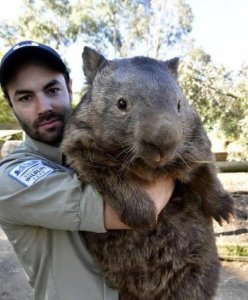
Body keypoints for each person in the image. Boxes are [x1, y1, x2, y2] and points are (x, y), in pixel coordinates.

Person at [0, 40, 175, 300]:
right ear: (10, 104)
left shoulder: (107, 140)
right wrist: (170, 162)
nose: (44, 107)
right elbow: (140, 207)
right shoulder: (10, 178)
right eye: (26, 97)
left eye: (52, 90)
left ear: (69, 87)